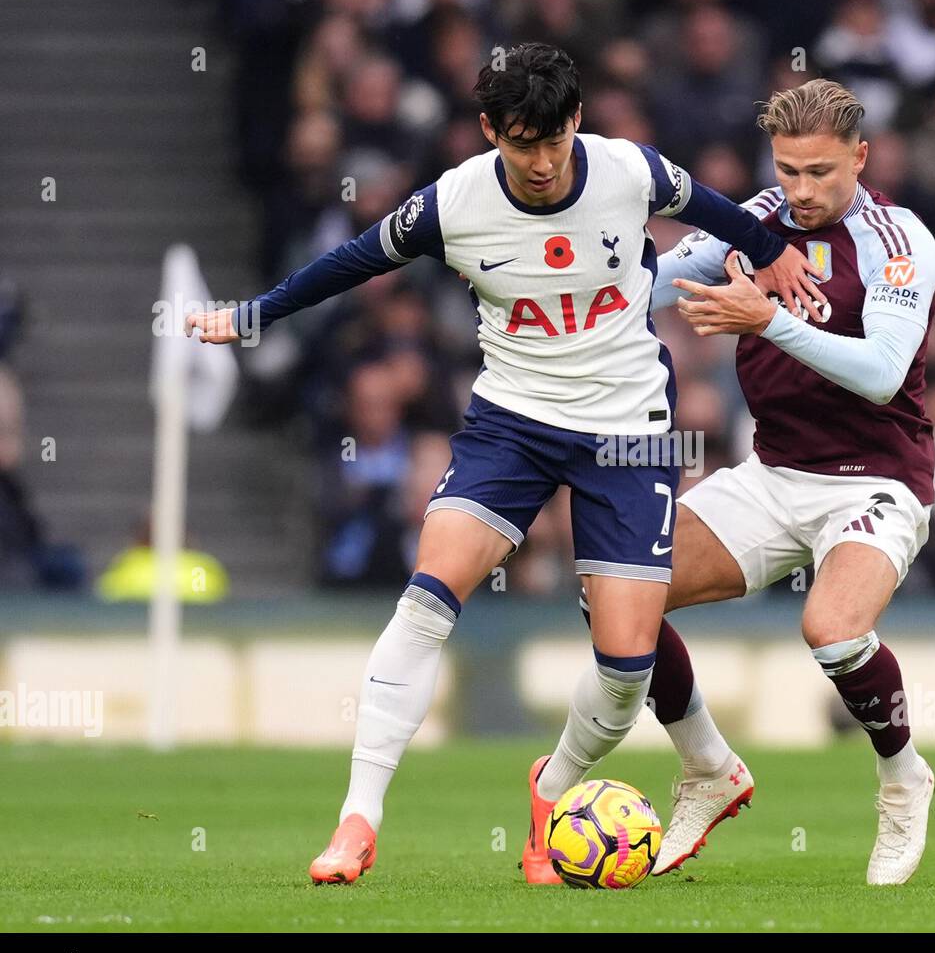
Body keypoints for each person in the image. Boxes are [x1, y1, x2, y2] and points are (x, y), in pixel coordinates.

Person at [186, 43, 822, 885]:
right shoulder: (453, 202)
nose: (543, 162)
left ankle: (551, 790)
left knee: (628, 666)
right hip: (513, 423)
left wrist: (774, 251)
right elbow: (351, 262)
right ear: (490, 131)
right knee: (429, 592)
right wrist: (256, 314)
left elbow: (721, 212)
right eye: (523, 143)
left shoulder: (630, 173)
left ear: (577, 124)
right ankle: (357, 822)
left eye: (555, 140)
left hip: (629, 429)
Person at [630, 78, 935, 885]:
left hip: (877, 479)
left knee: (832, 629)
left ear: (861, 159)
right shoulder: (752, 224)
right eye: (788, 170)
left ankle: (904, 777)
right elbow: (642, 289)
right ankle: (708, 768)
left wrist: (769, 320)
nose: (801, 191)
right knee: (617, 591)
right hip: (773, 475)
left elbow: (880, 374)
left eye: (820, 173)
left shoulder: (898, 239)